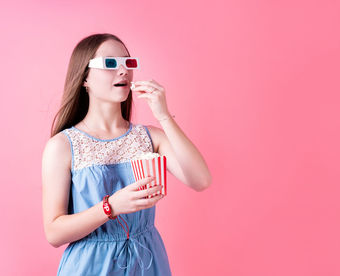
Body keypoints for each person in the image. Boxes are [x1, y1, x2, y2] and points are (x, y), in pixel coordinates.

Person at [41, 33, 212, 276]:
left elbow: (201, 180)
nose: (123, 70)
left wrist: (163, 116)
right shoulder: (62, 146)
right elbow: (54, 232)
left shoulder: (150, 137)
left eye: (128, 62)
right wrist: (111, 206)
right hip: (90, 267)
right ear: (84, 78)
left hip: (149, 263)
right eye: (110, 63)